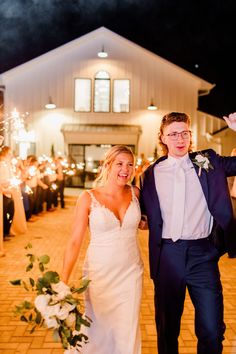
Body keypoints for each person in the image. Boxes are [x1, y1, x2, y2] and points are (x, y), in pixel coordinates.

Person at [140, 111, 236, 354]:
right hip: (167, 257)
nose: (180, 139)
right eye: (173, 134)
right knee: (167, 328)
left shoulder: (208, 161)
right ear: (162, 138)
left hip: (203, 255)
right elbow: (141, 211)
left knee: (212, 329)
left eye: (184, 133)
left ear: (190, 135)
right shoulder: (150, 175)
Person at [61, 145, 144, 354]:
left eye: (130, 164)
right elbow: (74, 241)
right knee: (97, 328)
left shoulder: (136, 193)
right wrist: (62, 283)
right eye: (120, 164)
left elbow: (151, 221)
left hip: (131, 272)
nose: (125, 169)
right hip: (99, 275)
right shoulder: (88, 198)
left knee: (127, 328)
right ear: (107, 165)